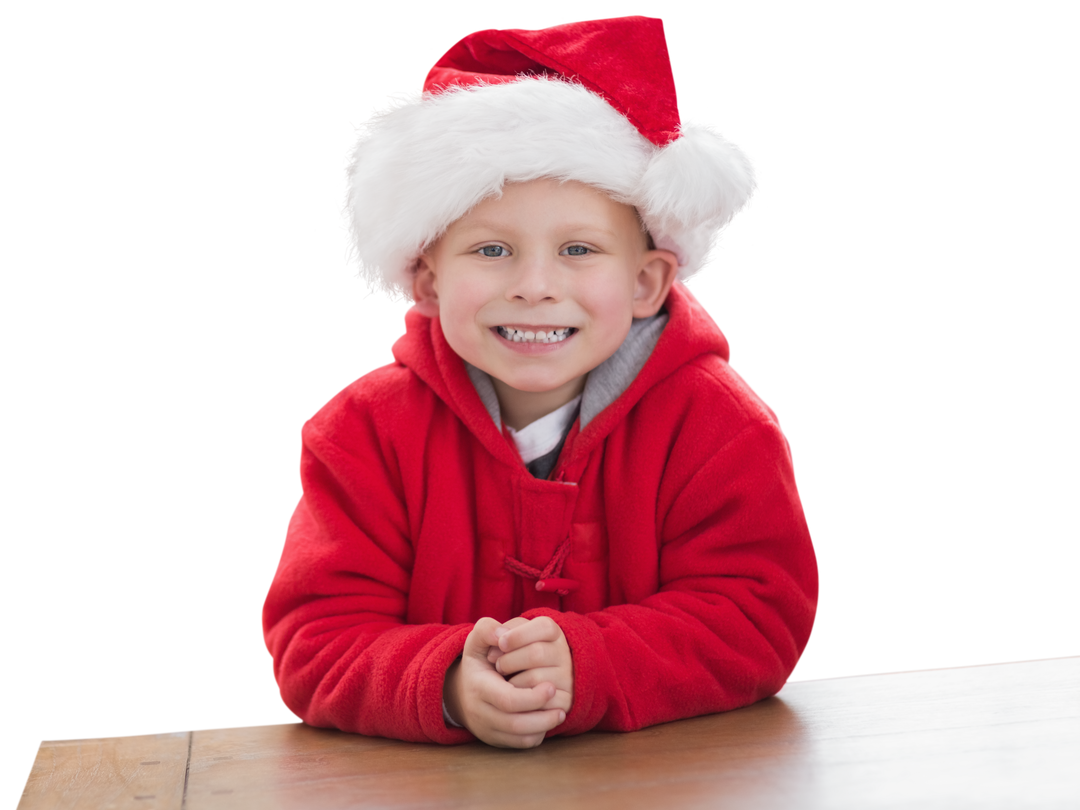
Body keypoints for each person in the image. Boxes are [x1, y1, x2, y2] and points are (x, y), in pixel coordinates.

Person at [259, 13, 822, 750]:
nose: (534, 286)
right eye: (492, 249)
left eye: (578, 249)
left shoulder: (721, 425)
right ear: (426, 278)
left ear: (649, 281)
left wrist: (591, 663)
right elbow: (313, 640)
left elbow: (758, 618)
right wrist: (447, 683)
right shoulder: (359, 435)